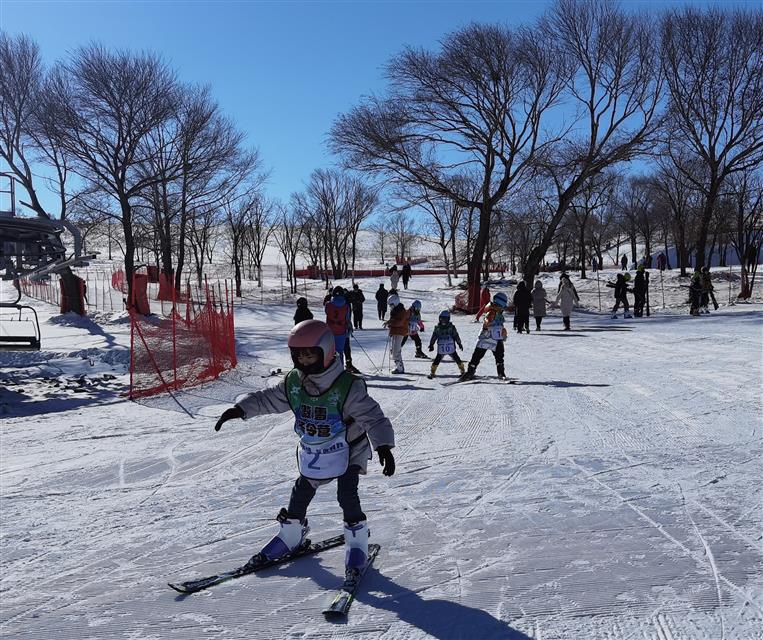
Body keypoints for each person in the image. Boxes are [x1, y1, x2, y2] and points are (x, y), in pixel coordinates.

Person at [213, 319, 395, 582]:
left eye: (310, 354)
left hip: (348, 449)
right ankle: (291, 535)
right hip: (316, 451)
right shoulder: (293, 383)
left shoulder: (347, 386)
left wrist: (384, 446)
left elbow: (373, 417)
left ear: (327, 351)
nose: (304, 359)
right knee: (301, 492)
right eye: (299, 354)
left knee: (347, 494)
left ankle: (356, 542)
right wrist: (241, 409)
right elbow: (268, 399)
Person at [460, 292, 509, 381]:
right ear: (499, 304)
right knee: (478, 354)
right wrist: (487, 323)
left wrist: (503, 331)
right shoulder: (491, 312)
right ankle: (470, 371)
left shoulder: (499, 313)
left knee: (499, 354)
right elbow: (487, 319)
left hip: (497, 338)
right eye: (502, 307)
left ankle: (501, 372)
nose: (502, 309)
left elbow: (499, 324)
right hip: (486, 337)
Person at [325, 286, 359, 373]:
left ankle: (330, 370)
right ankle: (339, 370)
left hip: (329, 332)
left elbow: (326, 312)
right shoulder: (346, 306)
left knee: (331, 352)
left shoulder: (328, 304)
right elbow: (347, 318)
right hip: (341, 332)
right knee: (340, 352)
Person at [427, 310, 465, 378]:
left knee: (457, 359)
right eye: (441, 319)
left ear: (448, 319)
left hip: (450, 347)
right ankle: (432, 372)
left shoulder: (451, 327)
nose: (443, 321)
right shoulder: (438, 328)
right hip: (442, 348)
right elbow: (434, 336)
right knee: (437, 359)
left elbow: (456, 335)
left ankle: (462, 371)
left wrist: (459, 343)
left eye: (445, 319)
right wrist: (431, 344)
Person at [385, 294, 409, 374]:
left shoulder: (402, 311)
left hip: (400, 332)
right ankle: (399, 367)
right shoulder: (394, 311)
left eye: (391, 305)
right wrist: (390, 324)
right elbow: (393, 321)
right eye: (389, 305)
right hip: (395, 332)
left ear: (395, 303)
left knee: (395, 352)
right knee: (395, 351)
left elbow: (399, 323)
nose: (390, 306)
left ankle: (400, 368)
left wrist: (390, 322)